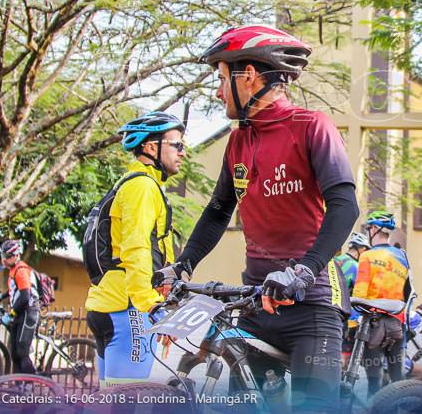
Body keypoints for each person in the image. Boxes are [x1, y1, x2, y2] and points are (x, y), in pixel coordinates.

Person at [154, 25, 358, 411]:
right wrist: (182, 266)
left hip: (312, 306)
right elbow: (217, 212)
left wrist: (302, 272)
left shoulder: (312, 126)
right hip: (256, 304)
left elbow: (345, 206)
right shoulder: (238, 140)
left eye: (221, 79)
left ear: (247, 76)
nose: (217, 92)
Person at [85, 111, 185, 386]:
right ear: (152, 147)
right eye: (177, 144)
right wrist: (151, 305)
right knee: (129, 400)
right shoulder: (142, 187)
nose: (183, 152)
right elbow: (136, 248)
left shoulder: (129, 184)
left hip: (109, 302)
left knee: (111, 400)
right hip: (128, 308)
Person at [351, 212, 410, 396]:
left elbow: (360, 294)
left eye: (369, 228)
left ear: (375, 229)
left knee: (374, 384)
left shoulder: (367, 256)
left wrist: (351, 324)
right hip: (398, 326)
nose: (369, 231)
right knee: (398, 380)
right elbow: (408, 293)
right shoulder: (403, 257)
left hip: (372, 327)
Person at [0, 240, 40, 374]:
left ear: (16, 255)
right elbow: (15, 289)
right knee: (14, 352)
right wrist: (0, 297)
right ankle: (18, 386)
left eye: (8, 257)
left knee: (22, 352)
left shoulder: (21, 270)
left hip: (28, 313)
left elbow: (25, 296)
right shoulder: (13, 269)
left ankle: (31, 383)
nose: (4, 260)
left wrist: (12, 313)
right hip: (21, 312)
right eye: (3, 256)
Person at [336, 231, 370, 364]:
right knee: (345, 352)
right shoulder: (356, 267)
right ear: (360, 249)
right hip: (344, 313)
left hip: (327, 309)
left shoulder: (335, 260)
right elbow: (359, 294)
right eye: (365, 250)